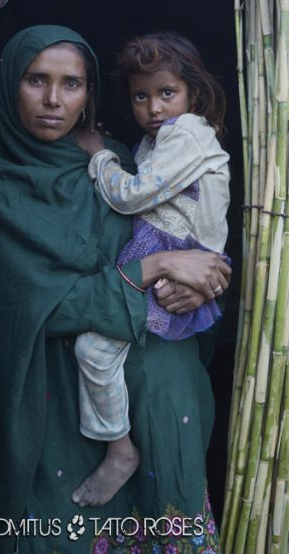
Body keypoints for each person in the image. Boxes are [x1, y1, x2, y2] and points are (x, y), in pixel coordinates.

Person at [0, 25, 229, 553]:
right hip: (54, 406)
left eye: (72, 84)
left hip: (153, 392)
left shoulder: (117, 160)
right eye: (37, 80)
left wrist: (204, 282)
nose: (55, 100)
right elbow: (37, 308)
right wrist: (156, 266)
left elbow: (189, 238)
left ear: (90, 94)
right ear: (10, 82)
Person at [71, 32, 230, 509]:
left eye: (167, 93)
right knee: (103, 352)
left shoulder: (187, 135)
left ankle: (120, 451)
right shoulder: (157, 140)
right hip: (168, 254)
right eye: (141, 96)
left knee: (94, 349)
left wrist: (99, 156)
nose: (154, 107)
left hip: (173, 253)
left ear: (193, 95)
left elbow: (133, 195)